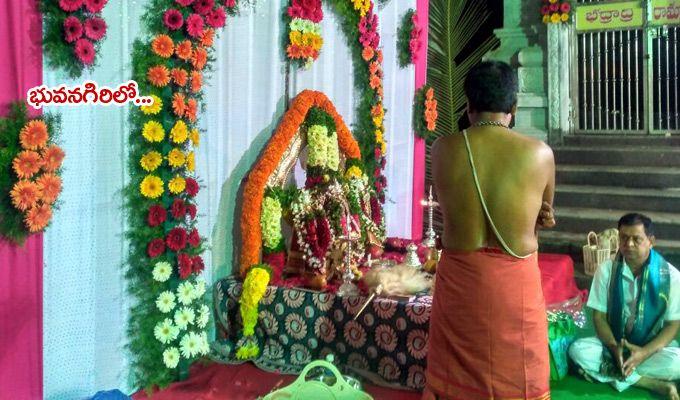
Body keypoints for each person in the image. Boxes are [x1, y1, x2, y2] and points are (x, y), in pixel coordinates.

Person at [423, 60, 555, 400]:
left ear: (468, 106)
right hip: (516, 288)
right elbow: (543, 216)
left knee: (454, 385)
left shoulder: (442, 150)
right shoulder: (540, 154)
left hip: (460, 283)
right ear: (514, 107)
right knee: (519, 381)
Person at [569, 213, 680, 400]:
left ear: (651, 241)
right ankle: (654, 384)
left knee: (677, 363)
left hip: (650, 347)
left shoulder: (671, 276)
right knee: (579, 350)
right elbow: (599, 317)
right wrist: (614, 348)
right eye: (624, 238)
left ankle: (615, 372)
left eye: (637, 239)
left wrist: (643, 353)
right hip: (612, 343)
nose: (628, 244)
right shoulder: (606, 269)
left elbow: (672, 325)